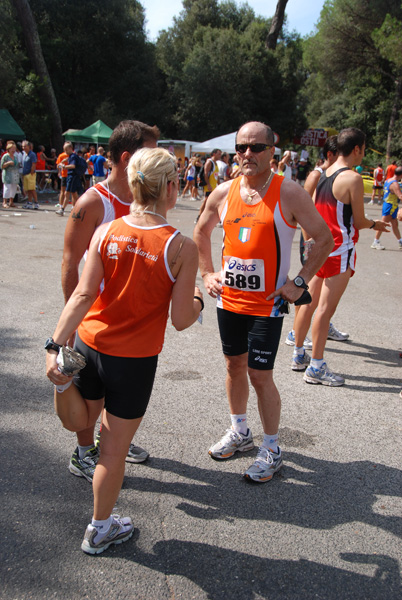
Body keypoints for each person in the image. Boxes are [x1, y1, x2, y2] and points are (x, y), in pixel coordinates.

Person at [46, 147, 203, 554]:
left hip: (88, 342)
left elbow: (82, 294)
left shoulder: (107, 229)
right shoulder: (182, 247)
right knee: (113, 451)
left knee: (86, 421)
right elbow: (182, 319)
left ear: (134, 183)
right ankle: (99, 528)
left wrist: (54, 345)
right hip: (132, 361)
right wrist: (202, 300)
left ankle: (63, 386)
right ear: (171, 188)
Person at [193, 121, 333, 483]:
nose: (247, 154)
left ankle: (271, 448)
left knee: (259, 374)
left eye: (256, 147)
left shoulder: (290, 193)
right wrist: (207, 274)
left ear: (273, 151)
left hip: (267, 306)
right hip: (230, 303)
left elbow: (323, 238)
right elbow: (201, 231)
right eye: (241, 147)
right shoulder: (223, 191)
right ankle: (240, 432)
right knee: (233, 366)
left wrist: (299, 281)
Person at [60, 120, 160, 481]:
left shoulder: (141, 202)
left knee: (118, 393)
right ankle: (84, 453)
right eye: (151, 152)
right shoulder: (92, 202)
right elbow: (71, 264)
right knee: (89, 396)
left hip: (130, 326)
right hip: (94, 323)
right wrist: (70, 327)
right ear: (126, 157)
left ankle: (111, 440)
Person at [292, 128, 390, 386]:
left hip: (320, 249)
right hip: (339, 251)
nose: (364, 154)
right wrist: (374, 224)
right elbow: (357, 222)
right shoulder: (352, 178)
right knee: (324, 309)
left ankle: (298, 353)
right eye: (364, 149)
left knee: (308, 303)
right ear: (356, 148)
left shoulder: (323, 172)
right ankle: (316, 367)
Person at [286, 135, 349, 350]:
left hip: (325, 240)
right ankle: (296, 332)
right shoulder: (316, 174)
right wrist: (308, 241)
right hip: (312, 240)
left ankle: (323, 325)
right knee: (307, 289)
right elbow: (301, 210)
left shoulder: (337, 175)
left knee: (324, 293)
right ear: (330, 155)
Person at [371, 166, 402, 250]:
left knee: (395, 224)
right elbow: (400, 196)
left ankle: (400, 241)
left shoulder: (388, 180)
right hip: (390, 206)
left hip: (391, 205)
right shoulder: (395, 184)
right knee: (382, 224)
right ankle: (375, 242)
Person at [55, 142, 83, 215]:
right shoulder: (71, 156)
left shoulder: (73, 156)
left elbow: (73, 166)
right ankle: (81, 208)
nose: (65, 152)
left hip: (72, 176)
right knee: (74, 193)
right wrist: (63, 162)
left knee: (67, 192)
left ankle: (62, 209)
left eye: (66, 150)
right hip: (73, 176)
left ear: (71, 148)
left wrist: (64, 166)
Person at [1, 141, 20, 208]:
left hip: (14, 175)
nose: (13, 150)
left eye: (14, 148)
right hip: (7, 175)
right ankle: (4, 202)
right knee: (7, 188)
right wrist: (8, 163)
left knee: (14, 188)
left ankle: (11, 202)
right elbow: (1, 166)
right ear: (8, 149)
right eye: (12, 148)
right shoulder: (5, 156)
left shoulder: (15, 156)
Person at [21, 140, 39, 210]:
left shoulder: (32, 154)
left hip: (30, 174)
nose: (23, 148)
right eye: (22, 146)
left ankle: (36, 202)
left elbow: (34, 164)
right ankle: (29, 202)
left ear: (29, 146)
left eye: (25, 146)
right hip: (25, 174)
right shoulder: (24, 154)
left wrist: (31, 172)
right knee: (28, 189)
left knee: (32, 189)